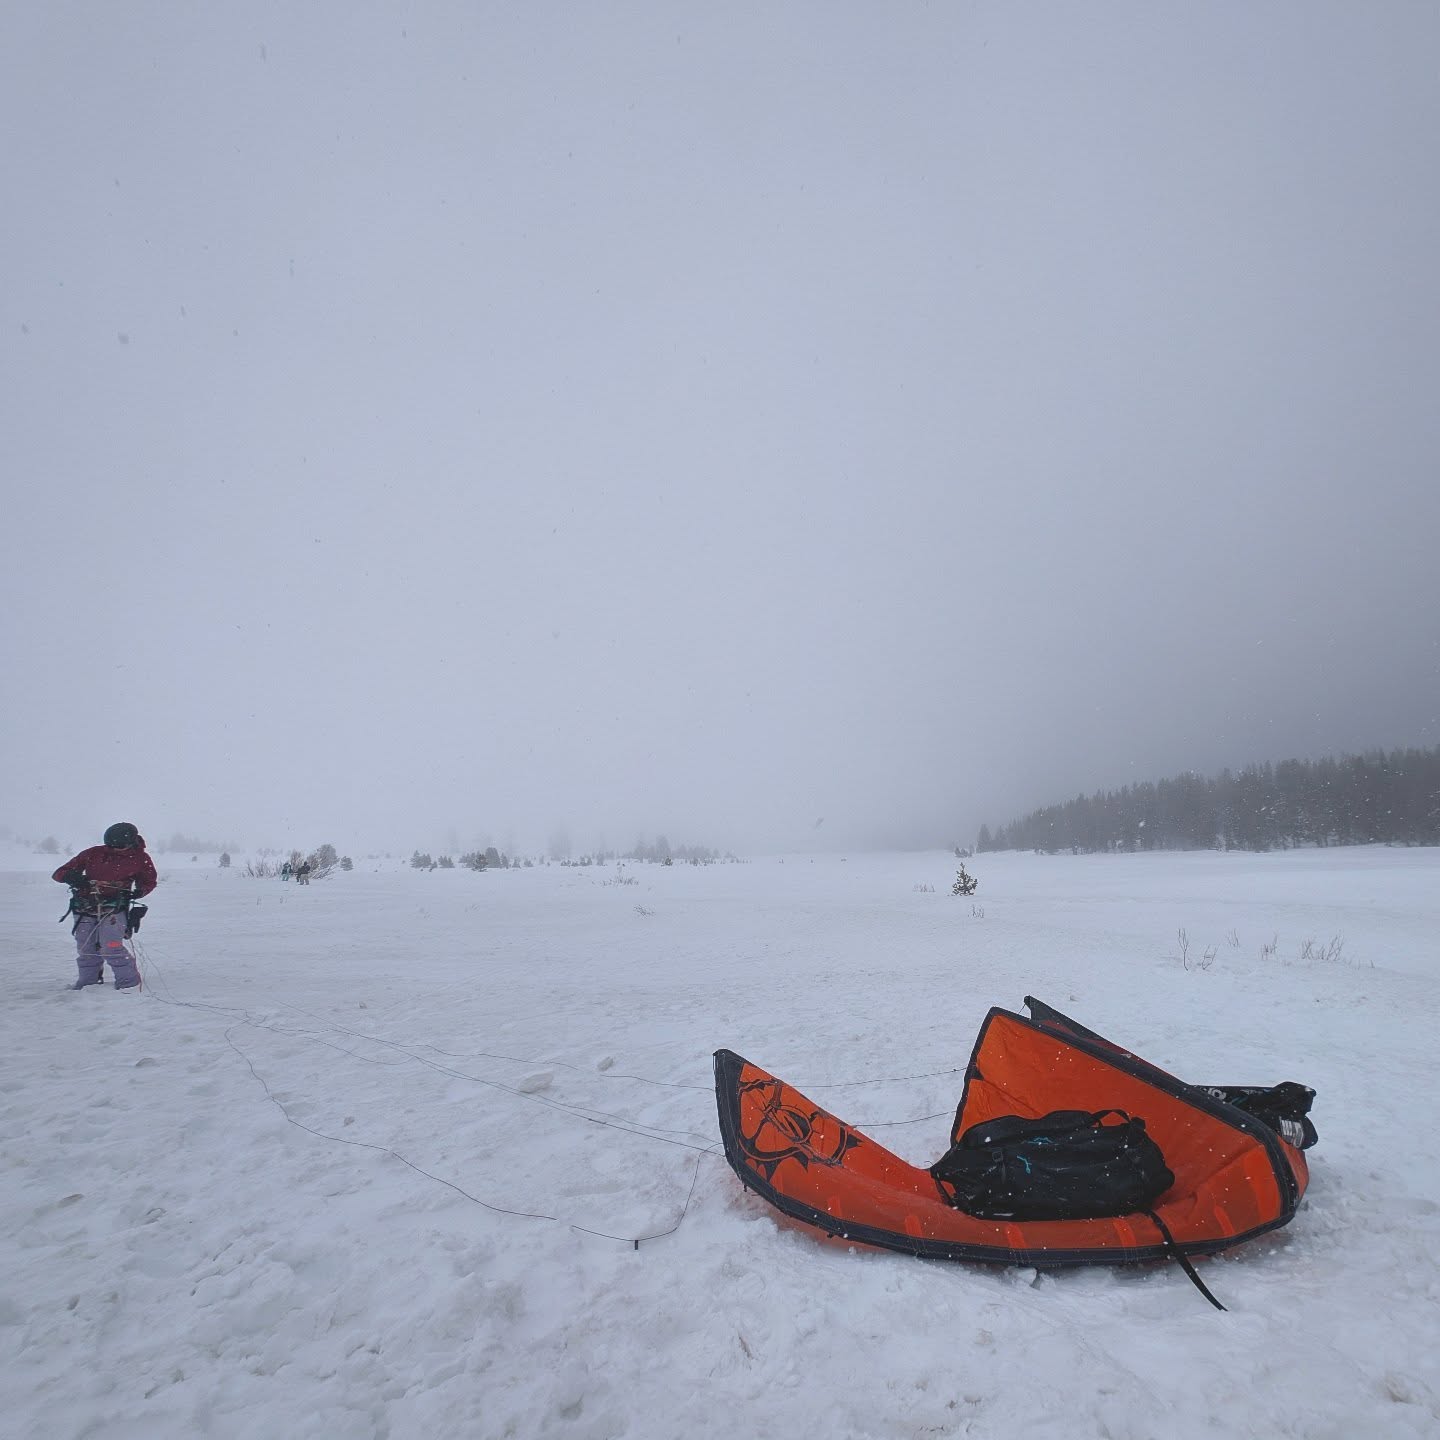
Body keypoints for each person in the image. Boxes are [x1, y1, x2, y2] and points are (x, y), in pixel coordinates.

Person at [52, 822, 157, 990]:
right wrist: (73, 877)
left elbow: (149, 881)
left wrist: (139, 892)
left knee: (111, 946)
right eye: (111, 846)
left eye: (120, 847)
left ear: (131, 842)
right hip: (84, 907)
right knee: (86, 948)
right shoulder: (93, 853)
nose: (115, 850)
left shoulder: (140, 858)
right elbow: (59, 873)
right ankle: (87, 983)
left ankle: (128, 983)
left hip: (115, 909)